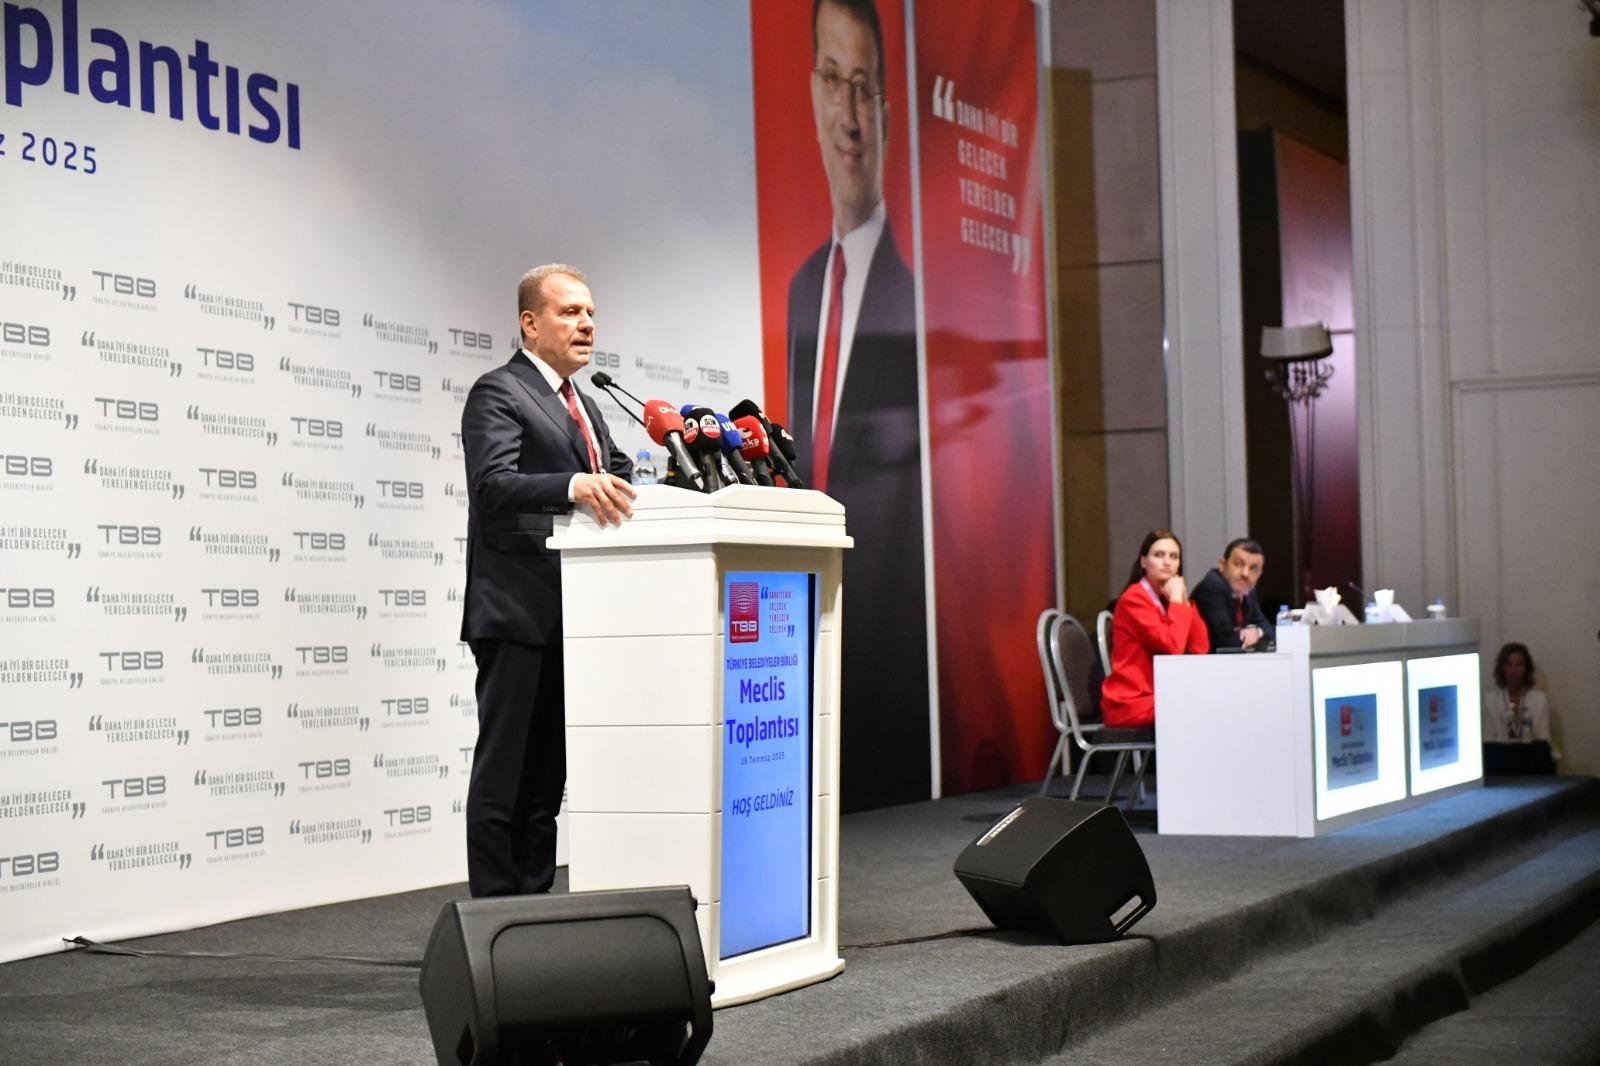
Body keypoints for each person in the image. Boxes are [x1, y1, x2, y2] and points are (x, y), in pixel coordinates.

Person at [785, 0, 928, 808]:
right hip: (803, 623)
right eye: (833, 80)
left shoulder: (920, 308)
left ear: (886, 114)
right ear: (813, 91)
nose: (847, 115)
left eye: (864, 88)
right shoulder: (803, 290)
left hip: (889, 665)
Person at [459, 264, 636, 898]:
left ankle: (531, 913)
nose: (586, 324)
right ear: (530, 324)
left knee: (544, 784)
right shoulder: (499, 391)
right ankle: (494, 920)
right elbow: (492, 485)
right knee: (506, 777)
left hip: (574, 616)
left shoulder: (585, 404)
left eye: (590, 313)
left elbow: (621, 477)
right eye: (570, 312)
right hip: (516, 612)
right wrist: (572, 485)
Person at [1101, 530, 1209, 728]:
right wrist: (1176, 600)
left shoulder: (1166, 599)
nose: (1167, 562)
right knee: (1203, 709)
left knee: (1211, 702)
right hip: (1132, 703)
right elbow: (1173, 646)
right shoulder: (1134, 599)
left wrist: (1183, 600)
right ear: (1144, 562)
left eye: (1174, 557)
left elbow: (1200, 647)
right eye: (1159, 555)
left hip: (1157, 697)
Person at [1190, 537, 1275, 651]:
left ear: (1260, 574)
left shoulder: (1248, 592)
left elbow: (1270, 632)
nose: (1245, 574)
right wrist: (1249, 636)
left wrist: (1257, 631)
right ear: (1222, 564)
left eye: (1253, 569)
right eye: (1238, 564)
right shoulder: (1211, 589)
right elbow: (1226, 642)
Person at [1481, 642, 1552, 746]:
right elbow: (1488, 740)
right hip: (1501, 754)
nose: (1514, 670)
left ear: (1527, 669)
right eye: (1509, 664)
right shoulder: (1490, 700)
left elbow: (1544, 739)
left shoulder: (1539, 699)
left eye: (1519, 664)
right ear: (1502, 668)